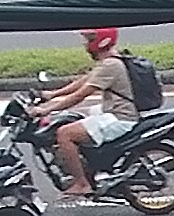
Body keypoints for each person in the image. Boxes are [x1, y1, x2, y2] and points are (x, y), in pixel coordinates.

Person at [26, 28, 142, 202]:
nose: (85, 43)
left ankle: (81, 183)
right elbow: (83, 81)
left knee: (65, 134)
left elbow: (81, 94)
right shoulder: (109, 60)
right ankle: (90, 166)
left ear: (101, 41)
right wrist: (52, 95)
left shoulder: (110, 65)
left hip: (120, 118)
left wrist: (46, 110)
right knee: (77, 116)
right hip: (114, 111)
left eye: (89, 39)